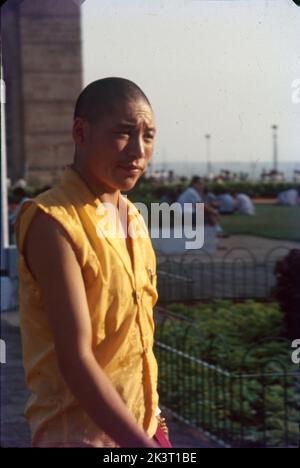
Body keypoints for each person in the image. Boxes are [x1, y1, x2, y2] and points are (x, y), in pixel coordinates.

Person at [15, 77, 171, 448]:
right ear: (80, 132)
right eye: (123, 133)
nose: (138, 151)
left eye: (148, 136)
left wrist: (153, 429)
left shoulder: (132, 216)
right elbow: (77, 360)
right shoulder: (53, 222)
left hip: (141, 426)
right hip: (79, 436)